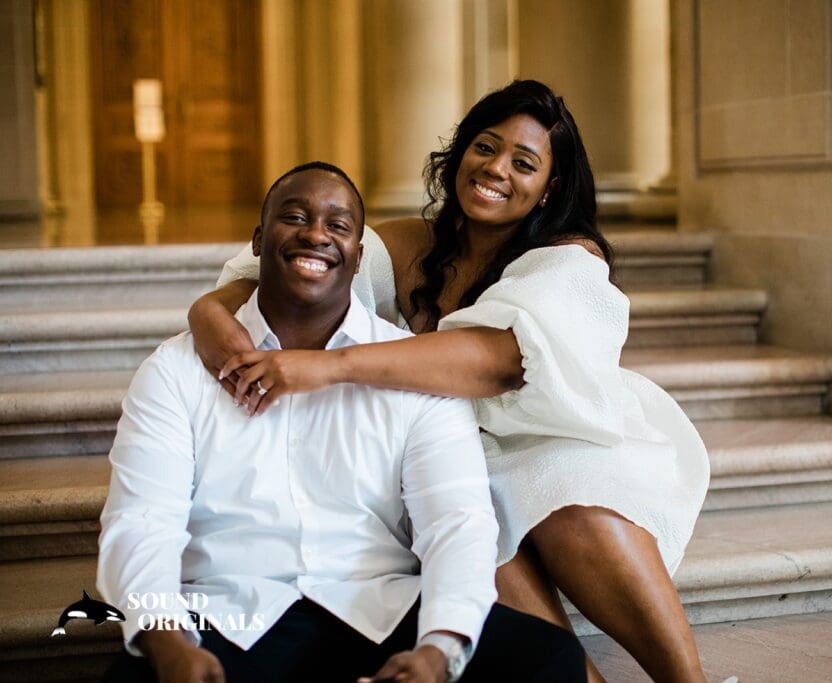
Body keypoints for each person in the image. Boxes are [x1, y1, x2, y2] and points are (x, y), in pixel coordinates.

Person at [191, 80, 710, 683]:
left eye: (523, 162)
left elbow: (496, 361)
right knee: (471, 514)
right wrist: (207, 314)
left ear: (551, 188)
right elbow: (276, 273)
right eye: (485, 148)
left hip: (555, 433)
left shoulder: (569, 256)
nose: (496, 170)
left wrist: (328, 366)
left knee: (569, 498)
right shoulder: (412, 243)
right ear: (460, 151)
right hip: (453, 442)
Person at [98, 162, 587, 683]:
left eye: (337, 226)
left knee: (546, 658)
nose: (315, 234)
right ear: (259, 241)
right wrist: (167, 639)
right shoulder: (175, 371)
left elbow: (457, 523)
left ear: (358, 257)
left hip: (381, 608)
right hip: (229, 613)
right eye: (295, 217)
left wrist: (439, 649)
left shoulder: (412, 368)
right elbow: (141, 523)